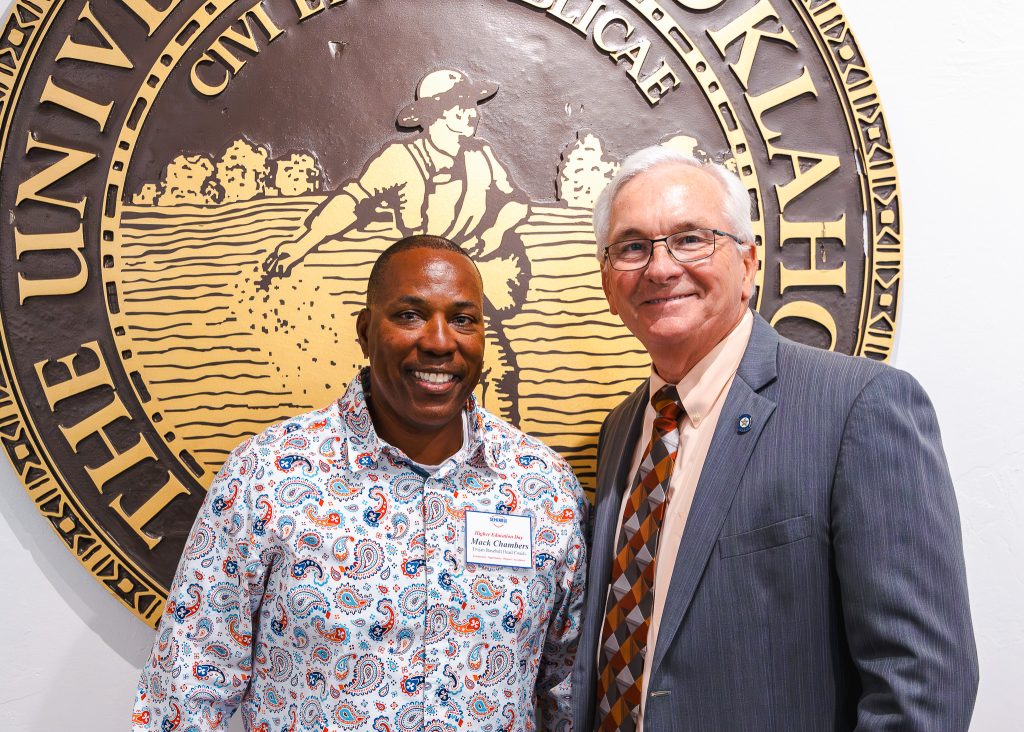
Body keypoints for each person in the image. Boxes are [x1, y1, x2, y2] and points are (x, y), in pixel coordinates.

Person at [571, 147, 978, 731]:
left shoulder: (858, 408)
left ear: (748, 264)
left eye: (690, 239)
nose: (660, 268)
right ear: (609, 285)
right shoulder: (622, 430)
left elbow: (922, 686)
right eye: (632, 247)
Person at [133, 235, 586, 731]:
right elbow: (186, 690)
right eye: (410, 315)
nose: (439, 341)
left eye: (462, 319)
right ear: (366, 330)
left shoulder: (544, 486)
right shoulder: (266, 474)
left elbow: (567, 690)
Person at [257, 69, 529, 422]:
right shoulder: (400, 160)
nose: (471, 113)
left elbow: (515, 203)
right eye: (459, 105)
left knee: (500, 369)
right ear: (434, 113)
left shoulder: (481, 156)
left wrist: (494, 233)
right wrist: (300, 244)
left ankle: (495, 445)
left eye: (471, 104)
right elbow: (351, 202)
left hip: (477, 283)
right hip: (418, 291)